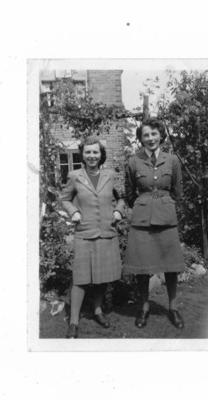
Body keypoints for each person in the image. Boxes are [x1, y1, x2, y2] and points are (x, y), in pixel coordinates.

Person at [60, 136, 125, 338]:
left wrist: (118, 212)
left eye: (95, 152)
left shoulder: (110, 175)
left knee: (101, 276)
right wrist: (73, 212)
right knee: (80, 278)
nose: (92, 156)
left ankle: (98, 311)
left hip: (106, 230)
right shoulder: (74, 176)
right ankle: (73, 322)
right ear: (83, 154)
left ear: (101, 154)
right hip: (85, 232)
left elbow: (121, 197)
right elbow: (64, 199)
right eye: (88, 152)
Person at [124, 119, 185, 329]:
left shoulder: (172, 160)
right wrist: (145, 206)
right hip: (142, 221)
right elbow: (130, 192)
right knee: (142, 267)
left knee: (171, 266)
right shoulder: (133, 162)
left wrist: (164, 206)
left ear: (161, 135)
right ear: (140, 138)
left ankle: (173, 307)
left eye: (154, 134)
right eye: (146, 135)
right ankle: (144, 307)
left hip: (166, 219)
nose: (150, 139)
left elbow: (177, 190)